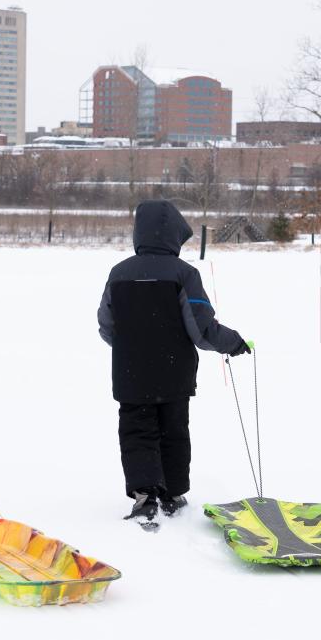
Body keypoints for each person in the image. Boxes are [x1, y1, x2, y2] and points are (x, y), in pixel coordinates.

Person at [97, 200, 249, 526]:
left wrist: (132, 349)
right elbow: (202, 329)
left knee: (137, 432)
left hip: (131, 374)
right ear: (173, 235)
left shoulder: (119, 274)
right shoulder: (184, 274)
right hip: (173, 373)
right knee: (173, 431)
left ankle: (145, 496)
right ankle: (172, 494)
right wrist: (233, 342)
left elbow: (107, 325)